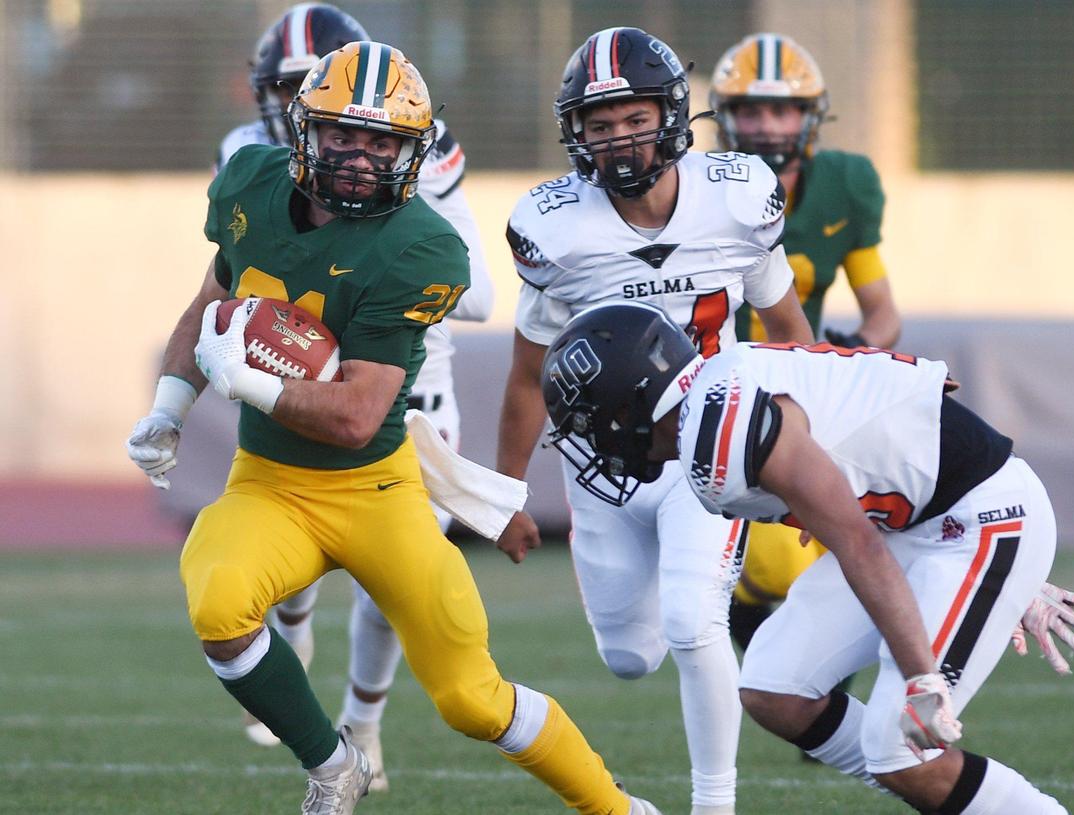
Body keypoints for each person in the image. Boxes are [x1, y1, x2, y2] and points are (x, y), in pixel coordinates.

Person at [126, 41, 659, 815]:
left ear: (412, 153)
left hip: (377, 489)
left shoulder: (418, 246)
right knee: (217, 602)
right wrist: (172, 405)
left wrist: (246, 381)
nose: (360, 158)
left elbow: (357, 414)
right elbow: (210, 298)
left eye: (383, 144)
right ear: (304, 132)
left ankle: (619, 808)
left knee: (472, 701)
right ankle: (331, 764)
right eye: (344, 135)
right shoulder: (247, 183)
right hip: (270, 485)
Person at [540, 302, 1074, 815]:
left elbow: (856, 538)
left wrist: (921, 675)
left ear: (631, 397)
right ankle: (932, 784)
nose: (593, 436)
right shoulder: (712, 407)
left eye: (591, 416)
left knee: (900, 746)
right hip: (915, 522)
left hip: (974, 518)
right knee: (775, 689)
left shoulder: (721, 428)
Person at [496, 27, 814, 815]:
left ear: (671, 115)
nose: (618, 140)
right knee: (630, 655)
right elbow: (530, 374)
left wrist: (807, 459)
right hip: (600, 461)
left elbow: (792, 337)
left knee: (690, 618)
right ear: (577, 136)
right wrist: (501, 492)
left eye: (633, 119)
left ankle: (715, 804)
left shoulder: (738, 198)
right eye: (598, 127)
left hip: (709, 439)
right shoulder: (555, 228)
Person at [180, 5, 495, 789]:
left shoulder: (415, 172)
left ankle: (365, 719)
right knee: (281, 540)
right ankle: (293, 622)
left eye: (370, 131)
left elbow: (481, 291)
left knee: (394, 581)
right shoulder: (251, 161)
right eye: (288, 89)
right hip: (298, 392)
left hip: (410, 385)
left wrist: (384, 287)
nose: (352, 144)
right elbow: (224, 283)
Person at [709, 32, 904, 650]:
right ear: (725, 116)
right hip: (715, 395)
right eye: (750, 110)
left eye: (782, 109)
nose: (767, 126)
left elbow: (882, 311)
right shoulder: (698, 187)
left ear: (809, 115)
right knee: (781, 569)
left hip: (799, 391)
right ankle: (754, 624)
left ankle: (819, 708)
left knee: (845, 549)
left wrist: (855, 352)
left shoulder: (843, 182)